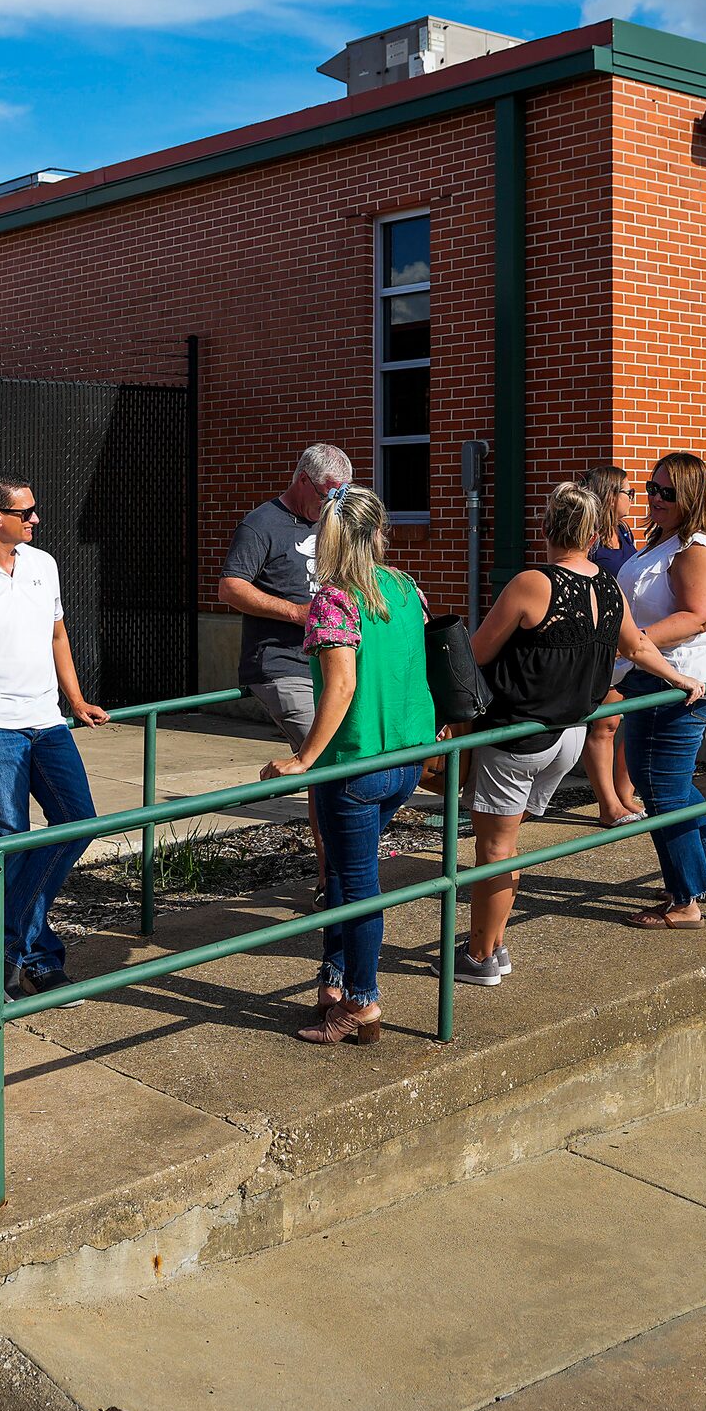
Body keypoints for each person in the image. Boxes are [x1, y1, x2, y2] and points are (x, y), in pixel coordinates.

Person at [457, 483, 706, 982]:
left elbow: (476, 654)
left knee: (494, 851)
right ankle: (494, 939)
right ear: (597, 534)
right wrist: (679, 679)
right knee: (507, 843)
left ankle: (482, 955)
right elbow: (636, 647)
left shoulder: (533, 583)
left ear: (547, 527)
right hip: (570, 734)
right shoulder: (609, 587)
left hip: (517, 734)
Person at [258, 485, 438, 1047]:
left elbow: (342, 683)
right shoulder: (407, 589)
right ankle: (334, 983)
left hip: (354, 767)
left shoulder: (335, 599)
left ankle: (362, 1000)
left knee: (357, 884)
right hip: (405, 758)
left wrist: (302, 759)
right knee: (343, 874)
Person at [0, 475, 107, 1005]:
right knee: (11, 842)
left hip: (47, 722)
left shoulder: (42, 565)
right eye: (27, 513)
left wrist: (75, 698)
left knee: (79, 821)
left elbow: (57, 634)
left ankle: (2, 944)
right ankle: (39, 958)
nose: (36, 520)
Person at [618, 453, 706, 924]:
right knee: (667, 783)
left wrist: (630, 644)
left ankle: (684, 899)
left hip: (679, 680)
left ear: (691, 497)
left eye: (667, 493)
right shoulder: (668, 541)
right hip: (664, 675)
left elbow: (699, 616)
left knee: (659, 789)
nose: (654, 498)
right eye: (650, 489)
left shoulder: (695, 548)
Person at [221, 445, 352, 885]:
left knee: (339, 760)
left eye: (342, 495)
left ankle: (338, 872)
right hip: (282, 663)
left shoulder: (335, 521)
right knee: (326, 759)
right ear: (302, 480)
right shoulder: (261, 525)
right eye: (327, 493)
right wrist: (297, 612)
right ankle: (332, 878)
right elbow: (231, 588)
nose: (332, 503)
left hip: (333, 661)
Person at [578, 464, 644, 826]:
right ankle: (608, 805)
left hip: (629, 638)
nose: (633, 499)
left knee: (628, 720)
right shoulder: (590, 539)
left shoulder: (624, 531)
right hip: (604, 644)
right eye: (628, 492)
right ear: (609, 495)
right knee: (605, 724)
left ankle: (625, 795)